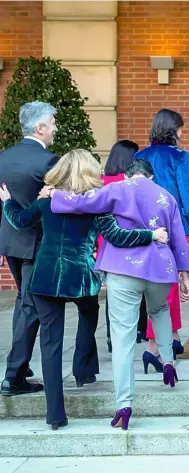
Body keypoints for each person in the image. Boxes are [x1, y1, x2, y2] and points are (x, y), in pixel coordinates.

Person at [0, 149, 164, 430]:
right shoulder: (97, 206)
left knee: (50, 345)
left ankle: (55, 416)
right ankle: (83, 367)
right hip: (81, 276)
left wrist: (7, 202)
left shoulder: (46, 203)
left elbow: (20, 221)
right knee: (89, 312)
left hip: (46, 276)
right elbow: (117, 236)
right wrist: (150, 234)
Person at [45, 159, 189, 430]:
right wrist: (185, 274)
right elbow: (178, 238)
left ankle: (124, 404)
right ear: (151, 175)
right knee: (159, 311)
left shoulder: (118, 189)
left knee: (123, 336)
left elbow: (82, 202)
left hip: (123, 269)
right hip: (161, 268)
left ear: (128, 174)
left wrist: (55, 194)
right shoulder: (166, 196)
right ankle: (168, 361)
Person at [136, 108, 189, 363]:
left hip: (144, 229)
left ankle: (174, 337)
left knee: (160, 286)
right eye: (180, 127)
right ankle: (154, 348)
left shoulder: (140, 155)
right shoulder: (180, 156)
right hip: (172, 227)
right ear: (172, 129)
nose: (182, 132)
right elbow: (188, 199)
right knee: (166, 289)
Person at [0, 101, 59, 397]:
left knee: (25, 304)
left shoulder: (3, 158)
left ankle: (19, 368)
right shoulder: (49, 161)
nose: (55, 128)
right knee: (30, 308)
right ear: (40, 127)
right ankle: (13, 376)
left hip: (10, 241)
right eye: (52, 123)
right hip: (37, 244)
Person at [101, 140, 149, 353]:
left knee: (114, 290)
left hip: (106, 241)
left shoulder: (101, 181)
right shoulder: (130, 183)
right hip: (130, 238)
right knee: (139, 285)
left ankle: (112, 336)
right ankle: (139, 329)